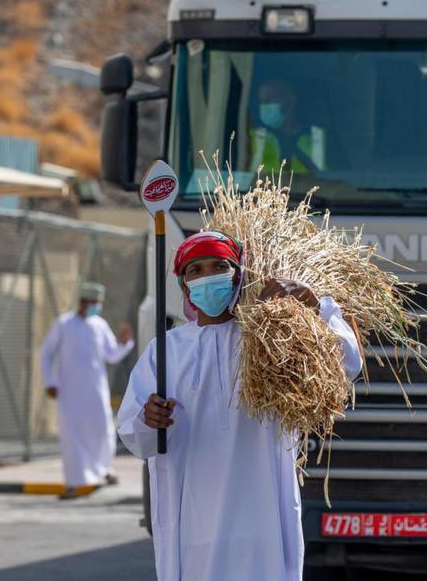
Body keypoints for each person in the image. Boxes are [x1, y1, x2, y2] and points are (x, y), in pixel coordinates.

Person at [117, 231, 362, 581]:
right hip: (194, 524)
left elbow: (345, 366)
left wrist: (315, 308)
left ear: (239, 273)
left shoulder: (269, 337)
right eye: (195, 270)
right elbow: (134, 434)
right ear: (184, 286)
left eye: (220, 266)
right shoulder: (167, 350)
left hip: (263, 517)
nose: (207, 277)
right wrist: (147, 419)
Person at [40, 281, 134, 499]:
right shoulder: (64, 324)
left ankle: (104, 470)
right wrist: (50, 383)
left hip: (95, 390)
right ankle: (74, 483)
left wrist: (125, 343)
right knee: (73, 436)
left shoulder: (99, 325)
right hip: (69, 392)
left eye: (97, 303)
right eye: (92, 302)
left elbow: (112, 355)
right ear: (83, 302)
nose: (94, 306)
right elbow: (45, 354)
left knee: (103, 431)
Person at [250, 78, 326, 173]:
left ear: (290, 102)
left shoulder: (318, 139)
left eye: (268, 101)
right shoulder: (254, 138)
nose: (263, 107)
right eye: (261, 102)